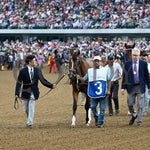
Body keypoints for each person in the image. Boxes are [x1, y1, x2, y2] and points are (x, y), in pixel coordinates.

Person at [15, 55, 56, 128]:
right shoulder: (22, 71)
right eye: (34, 60)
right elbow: (19, 83)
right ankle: (29, 119)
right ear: (30, 62)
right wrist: (17, 93)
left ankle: (29, 123)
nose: (36, 62)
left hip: (34, 92)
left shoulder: (37, 70)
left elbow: (43, 80)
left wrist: (51, 85)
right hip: (25, 92)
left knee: (31, 107)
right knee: (25, 109)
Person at [77, 56, 111, 128]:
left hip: (103, 92)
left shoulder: (105, 70)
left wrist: (108, 90)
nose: (96, 62)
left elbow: (109, 80)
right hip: (93, 92)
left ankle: (100, 122)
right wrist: (79, 78)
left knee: (102, 109)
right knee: (92, 107)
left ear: (100, 62)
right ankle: (96, 118)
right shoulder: (90, 71)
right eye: (95, 61)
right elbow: (85, 78)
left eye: (98, 61)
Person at [121, 48, 150, 127]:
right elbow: (124, 77)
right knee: (130, 103)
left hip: (140, 87)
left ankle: (139, 121)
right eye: (133, 55)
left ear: (139, 56)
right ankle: (134, 114)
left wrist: (149, 87)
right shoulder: (127, 64)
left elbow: (147, 76)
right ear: (131, 55)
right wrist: (123, 88)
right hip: (131, 87)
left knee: (140, 104)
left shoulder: (144, 64)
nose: (135, 57)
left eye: (136, 56)